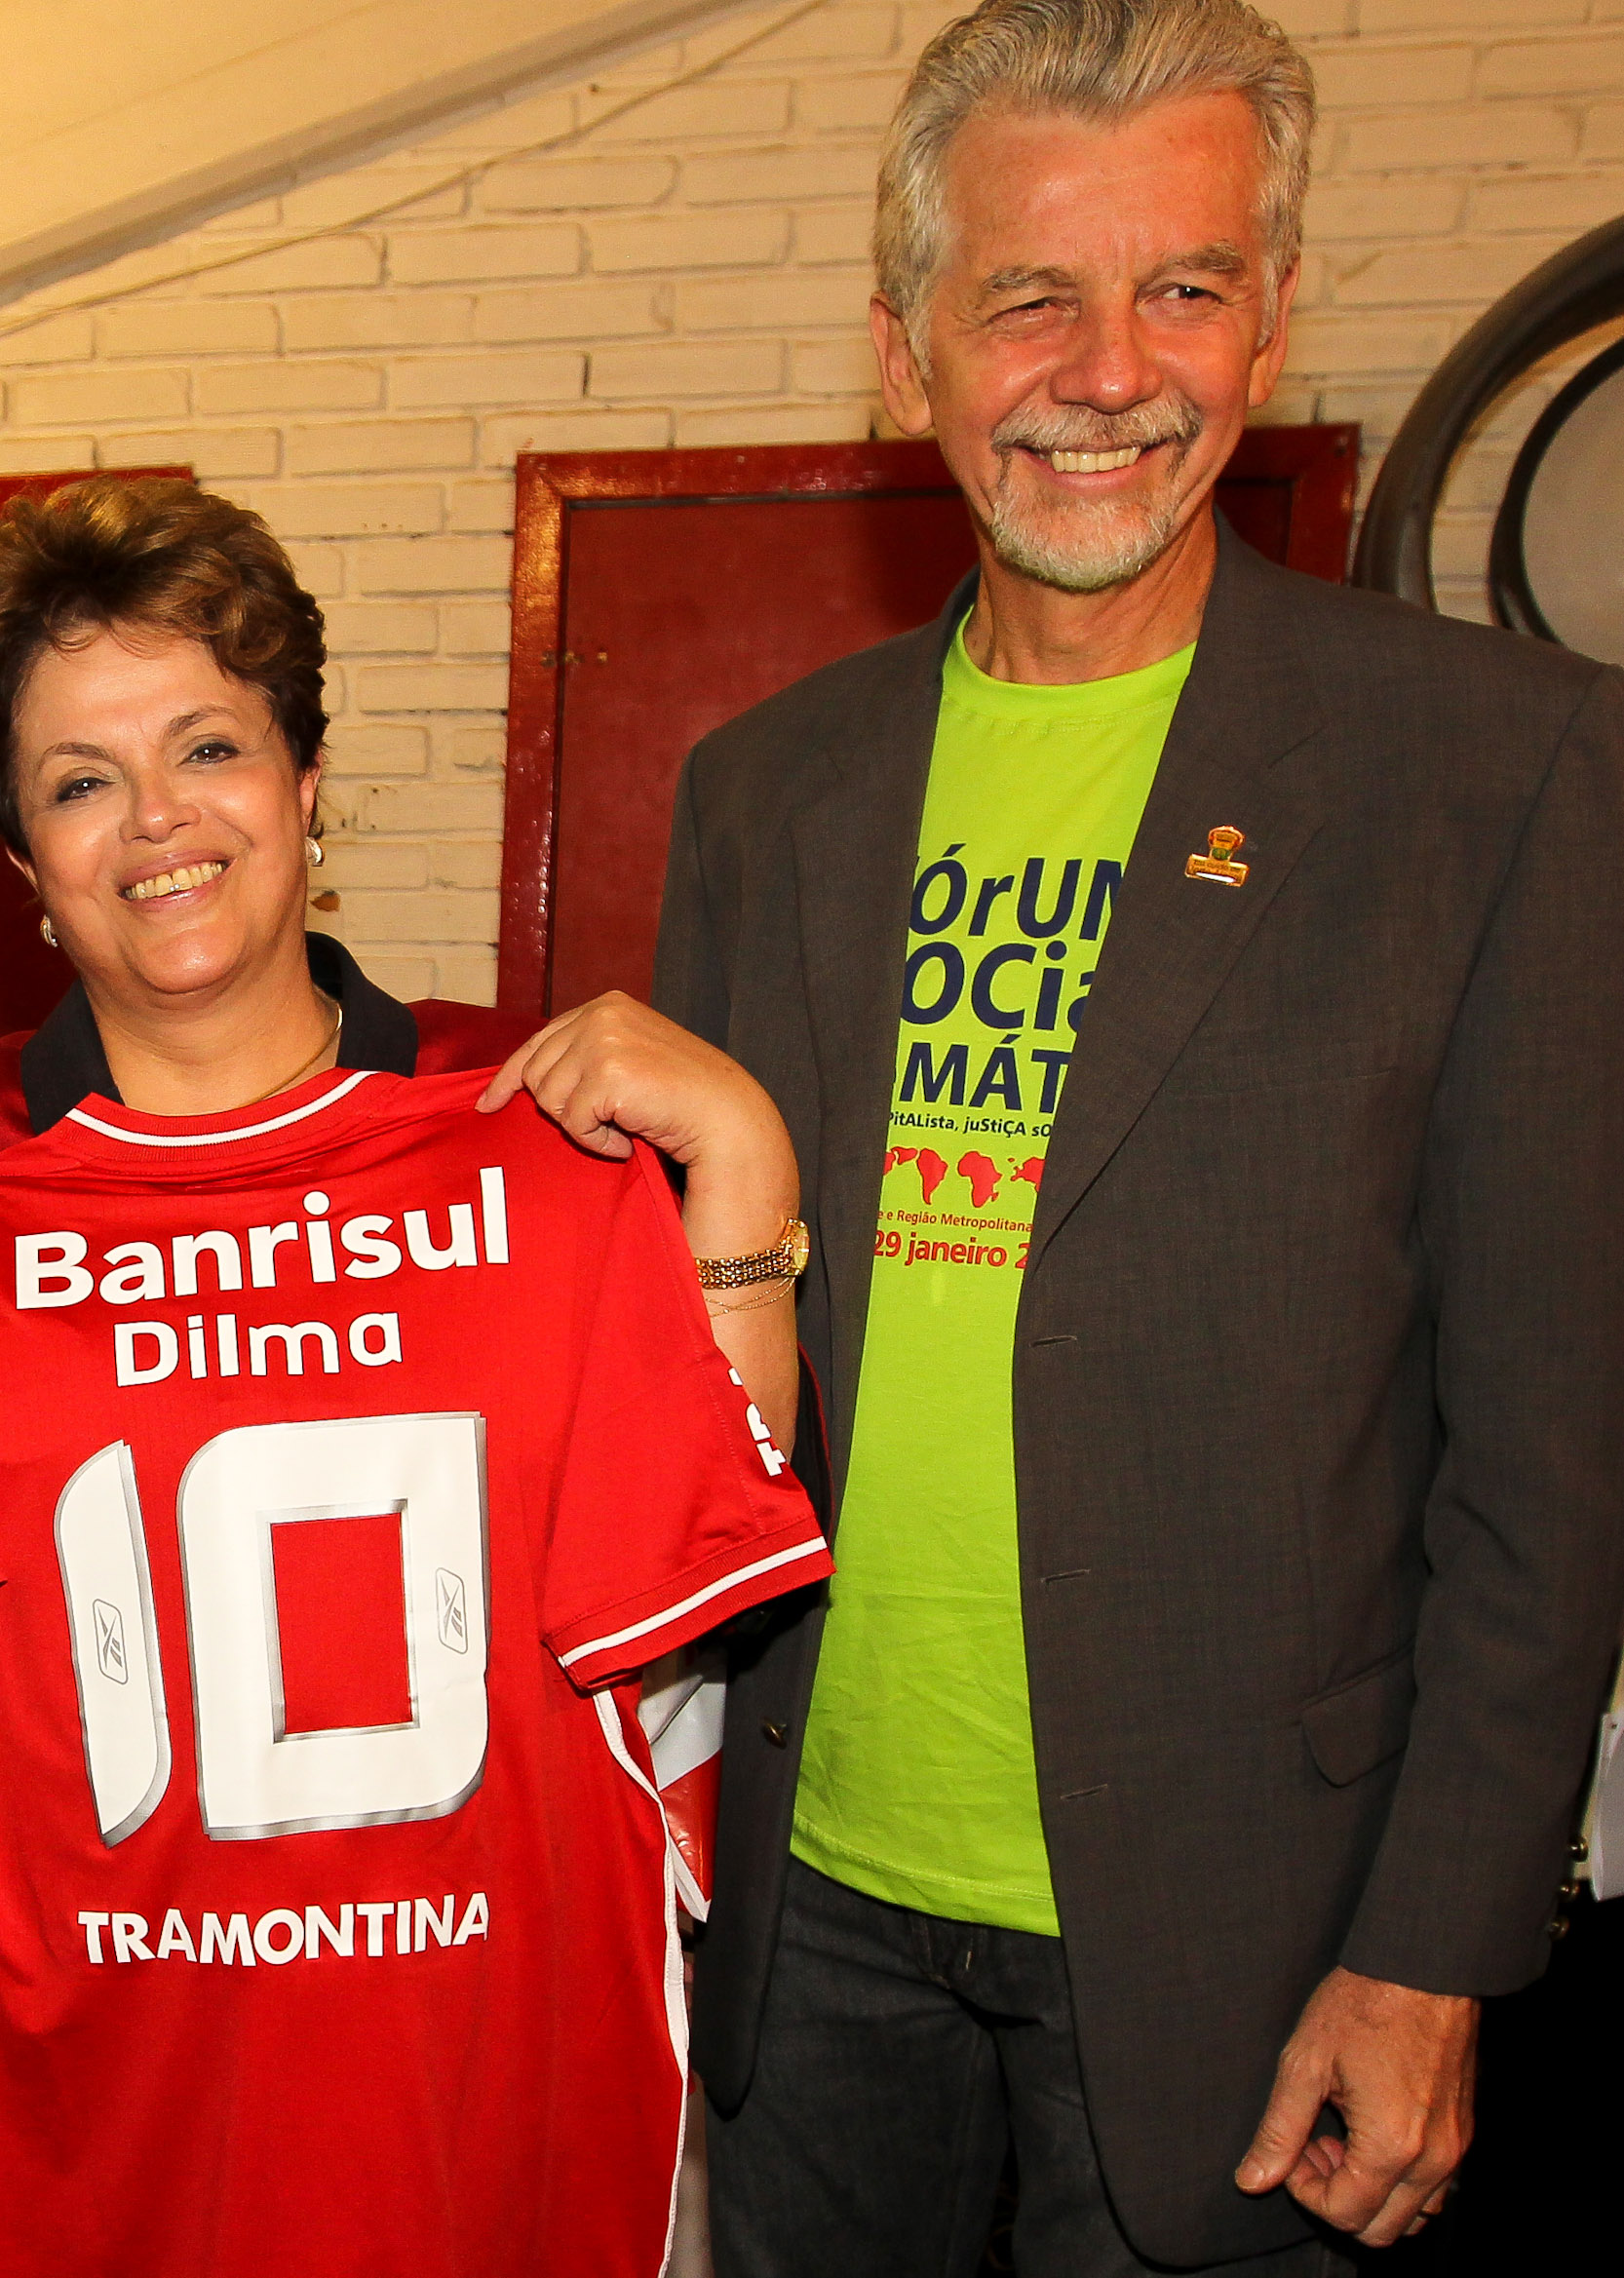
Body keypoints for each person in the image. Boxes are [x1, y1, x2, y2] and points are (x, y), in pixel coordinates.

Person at [660, 5, 1624, 2272]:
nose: (1108, 368)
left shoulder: (1497, 769)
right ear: (899, 342)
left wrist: (1431, 1946)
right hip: (808, 1915)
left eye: (1178, 286)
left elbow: (1549, 1447)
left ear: (1269, 312)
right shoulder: (760, 788)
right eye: (1026, 295)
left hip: (1249, 1938)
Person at [0, 474, 824, 2273]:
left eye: (207, 745)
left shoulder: (533, 1128)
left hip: (474, 2133)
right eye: (80, 780)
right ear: (20, 860)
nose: (156, 820)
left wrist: (745, 1167)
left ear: (306, 784)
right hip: (79, 2144)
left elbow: (701, 1562)